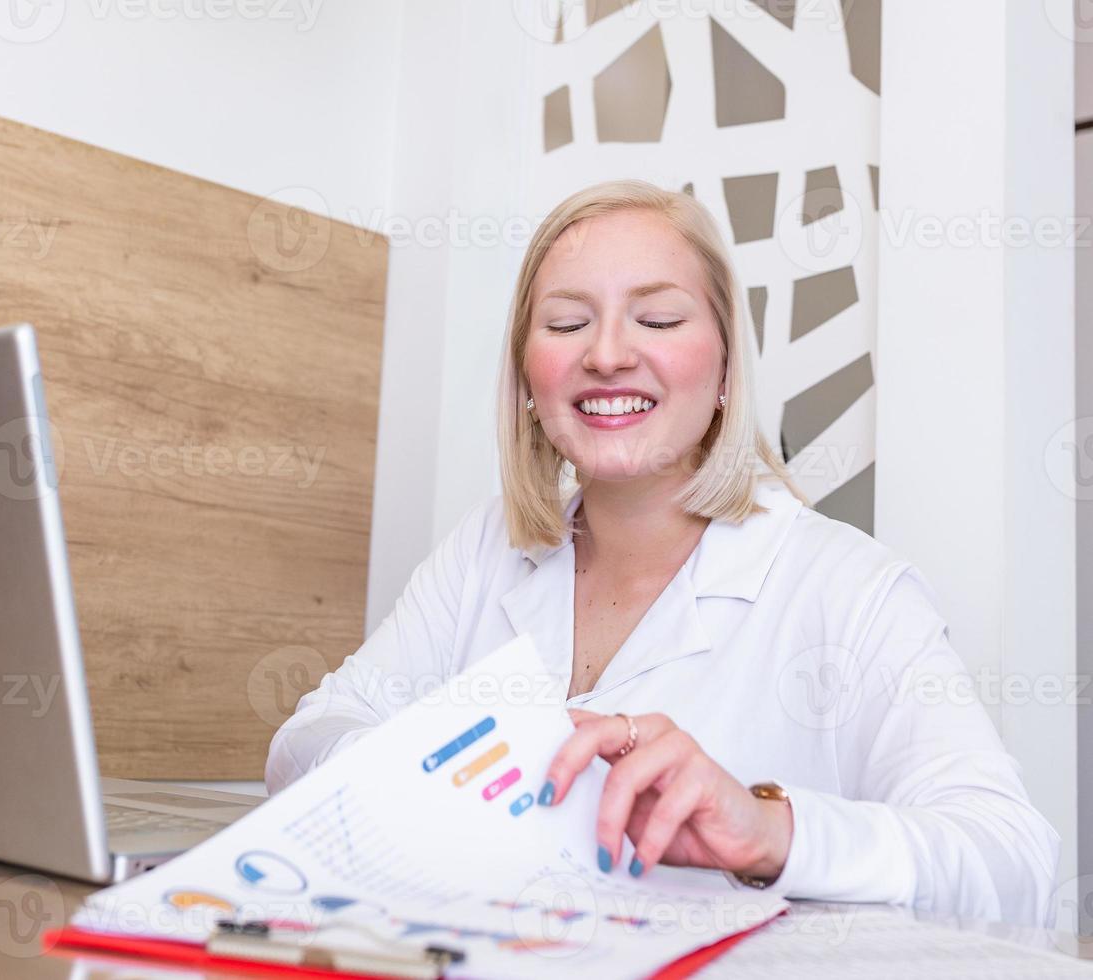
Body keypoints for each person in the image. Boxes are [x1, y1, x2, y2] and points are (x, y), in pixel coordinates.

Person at [265, 179, 1058, 927]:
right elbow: (307, 741)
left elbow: (1013, 861)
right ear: (529, 381)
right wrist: (443, 759)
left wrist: (769, 830)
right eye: (568, 323)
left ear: (722, 369)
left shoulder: (853, 591)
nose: (607, 355)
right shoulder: (485, 551)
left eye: (659, 320)